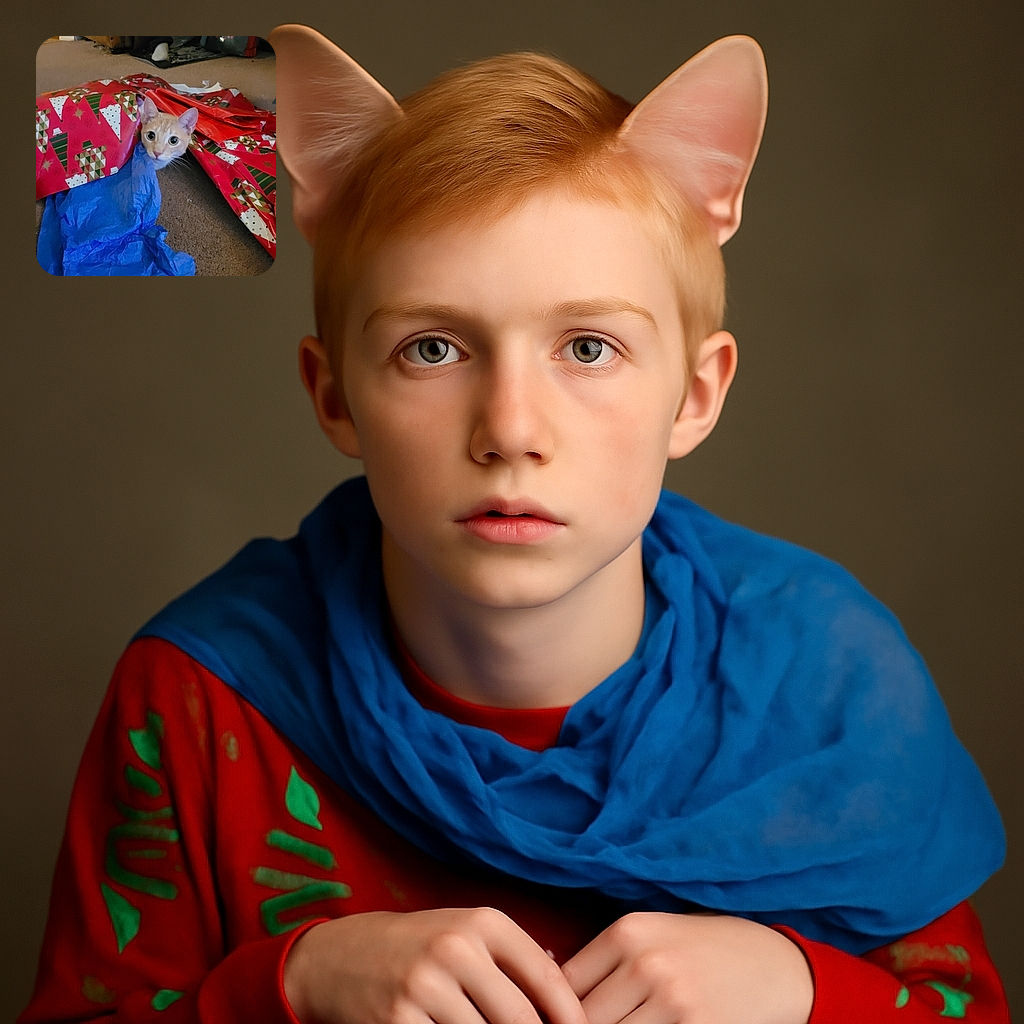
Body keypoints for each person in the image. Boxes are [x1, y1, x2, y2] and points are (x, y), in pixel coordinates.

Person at [19, 23, 1008, 1024]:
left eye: (586, 347)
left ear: (696, 394)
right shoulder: (197, 696)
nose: (510, 430)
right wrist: (294, 983)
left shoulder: (826, 680)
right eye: (433, 349)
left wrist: (800, 991)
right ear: (335, 398)